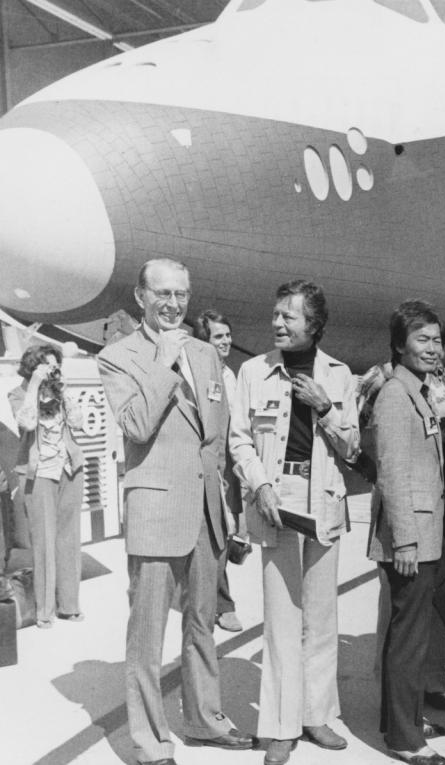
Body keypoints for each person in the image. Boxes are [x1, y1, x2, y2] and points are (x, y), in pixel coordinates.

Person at [98, 258, 253, 765]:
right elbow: (137, 425)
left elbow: (218, 438)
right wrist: (164, 361)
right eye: (162, 293)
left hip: (207, 510)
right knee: (147, 637)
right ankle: (149, 741)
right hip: (157, 510)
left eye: (181, 294)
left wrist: (228, 508)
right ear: (140, 296)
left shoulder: (207, 354)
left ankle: (204, 720)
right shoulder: (118, 357)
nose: (172, 304)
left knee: (201, 624)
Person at [229, 279, 358, 765]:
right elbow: (239, 439)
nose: (277, 323)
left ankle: (315, 715)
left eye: (290, 316)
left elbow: (353, 448)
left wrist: (325, 409)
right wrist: (259, 484)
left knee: (321, 618)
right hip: (274, 500)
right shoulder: (253, 372)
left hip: (323, 499)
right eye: (276, 314)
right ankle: (280, 726)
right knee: (282, 618)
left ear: (315, 325)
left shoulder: (340, 375)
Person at [367, 301, 445, 765]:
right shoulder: (397, 395)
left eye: (437, 339)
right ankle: (403, 738)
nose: (433, 348)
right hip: (411, 536)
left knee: (410, 634)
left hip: (421, 531)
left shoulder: (419, 390)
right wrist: (404, 540)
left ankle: (403, 718)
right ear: (400, 344)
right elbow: (392, 473)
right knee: (408, 638)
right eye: (422, 339)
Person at [8, 344, 84, 628]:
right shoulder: (18, 394)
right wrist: (35, 385)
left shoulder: (61, 393)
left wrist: (64, 391)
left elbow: (77, 421)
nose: (54, 370)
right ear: (32, 367)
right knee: (43, 542)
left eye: (56, 365)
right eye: (47, 366)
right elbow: (26, 423)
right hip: (39, 473)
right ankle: (44, 611)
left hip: (68, 469)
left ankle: (70, 605)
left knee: (69, 538)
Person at [195, 309, 244, 633]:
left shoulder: (230, 374)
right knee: (214, 539)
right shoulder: (199, 377)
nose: (226, 341)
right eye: (218, 336)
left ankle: (212, 599)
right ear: (205, 342)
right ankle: (221, 604)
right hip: (209, 464)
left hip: (232, 462)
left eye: (227, 335)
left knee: (233, 535)